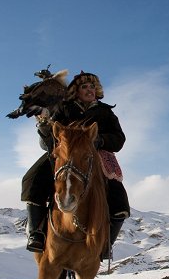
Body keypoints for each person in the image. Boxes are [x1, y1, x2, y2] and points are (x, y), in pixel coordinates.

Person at [21, 71, 130, 259]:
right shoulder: (64, 109)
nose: (90, 90)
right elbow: (48, 142)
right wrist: (44, 128)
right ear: (76, 91)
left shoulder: (105, 112)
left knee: (120, 202)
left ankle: (105, 244)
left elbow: (119, 139)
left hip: (96, 156)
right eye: (85, 87)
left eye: (92, 87)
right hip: (64, 155)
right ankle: (36, 234)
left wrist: (100, 141)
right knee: (32, 179)